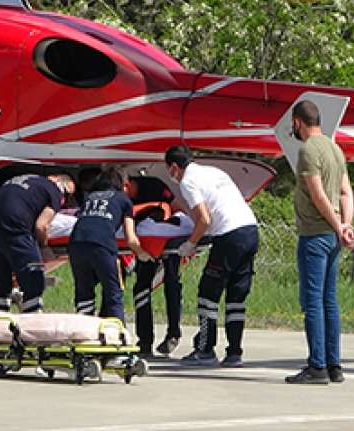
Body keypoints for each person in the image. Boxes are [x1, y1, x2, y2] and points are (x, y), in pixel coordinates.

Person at [165, 145, 260, 368]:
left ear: (174, 167)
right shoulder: (214, 171)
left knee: (208, 293)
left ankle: (205, 349)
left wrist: (190, 244)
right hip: (249, 229)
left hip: (229, 235)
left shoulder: (188, 181)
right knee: (236, 297)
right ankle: (234, 352)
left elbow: (204, 219)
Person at [284, 100, 354, 385]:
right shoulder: (334, 148)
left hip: (315, 234)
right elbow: (345, 191)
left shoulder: (308, 151)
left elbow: (318, 195)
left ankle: (317, 366)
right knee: (329, 300)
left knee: (312, 301)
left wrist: (337, 225)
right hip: (333, 236)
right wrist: (346, 225)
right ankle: (333, 363)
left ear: (297, 122)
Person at [0, 172, 75, 313]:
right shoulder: (54, 191)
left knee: (0, 284)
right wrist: (44, 248)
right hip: (14, 227)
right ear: (63, 187)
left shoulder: (27, 180)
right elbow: (41, 226)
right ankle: (32, 322)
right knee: (34, 278)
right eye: (67, 197)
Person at [68, 165, 146, 320]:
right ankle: (118, 337)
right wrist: (143, 254)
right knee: (113, 293)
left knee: (84, 294)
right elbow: (131, 238)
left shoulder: (89, 197)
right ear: (123, 184)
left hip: (76, 243)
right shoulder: (123, 200)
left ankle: (83, 334)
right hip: (101, 245)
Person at [126, 174, 185, 358]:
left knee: (172, 283)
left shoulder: (154, 185)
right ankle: (144, 341)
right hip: (145, 241)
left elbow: (176, 206)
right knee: (141, 288)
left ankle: (173, 333)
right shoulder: (122, 197)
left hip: (165, 235)